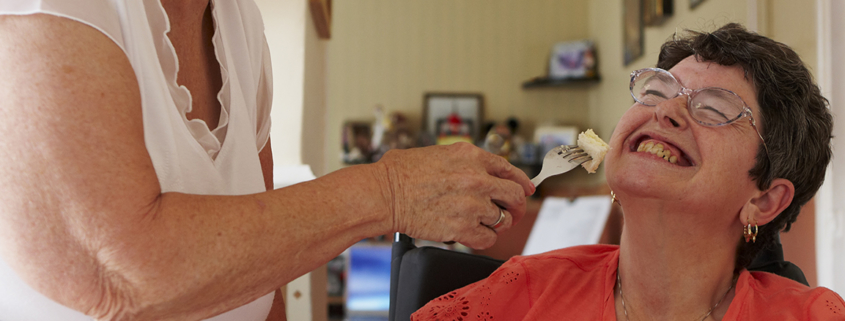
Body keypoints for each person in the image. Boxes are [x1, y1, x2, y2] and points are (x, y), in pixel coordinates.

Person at [0, 1, 533, 320]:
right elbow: (118, 277)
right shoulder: (50, 10)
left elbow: (262, 269)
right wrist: (388, 192)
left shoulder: (238, 23)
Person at [413, 23, 845, 320]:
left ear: (764, 200)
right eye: (655, 91)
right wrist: (392, 197)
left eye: (713, 109)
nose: (667, 110)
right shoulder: (522, 293)